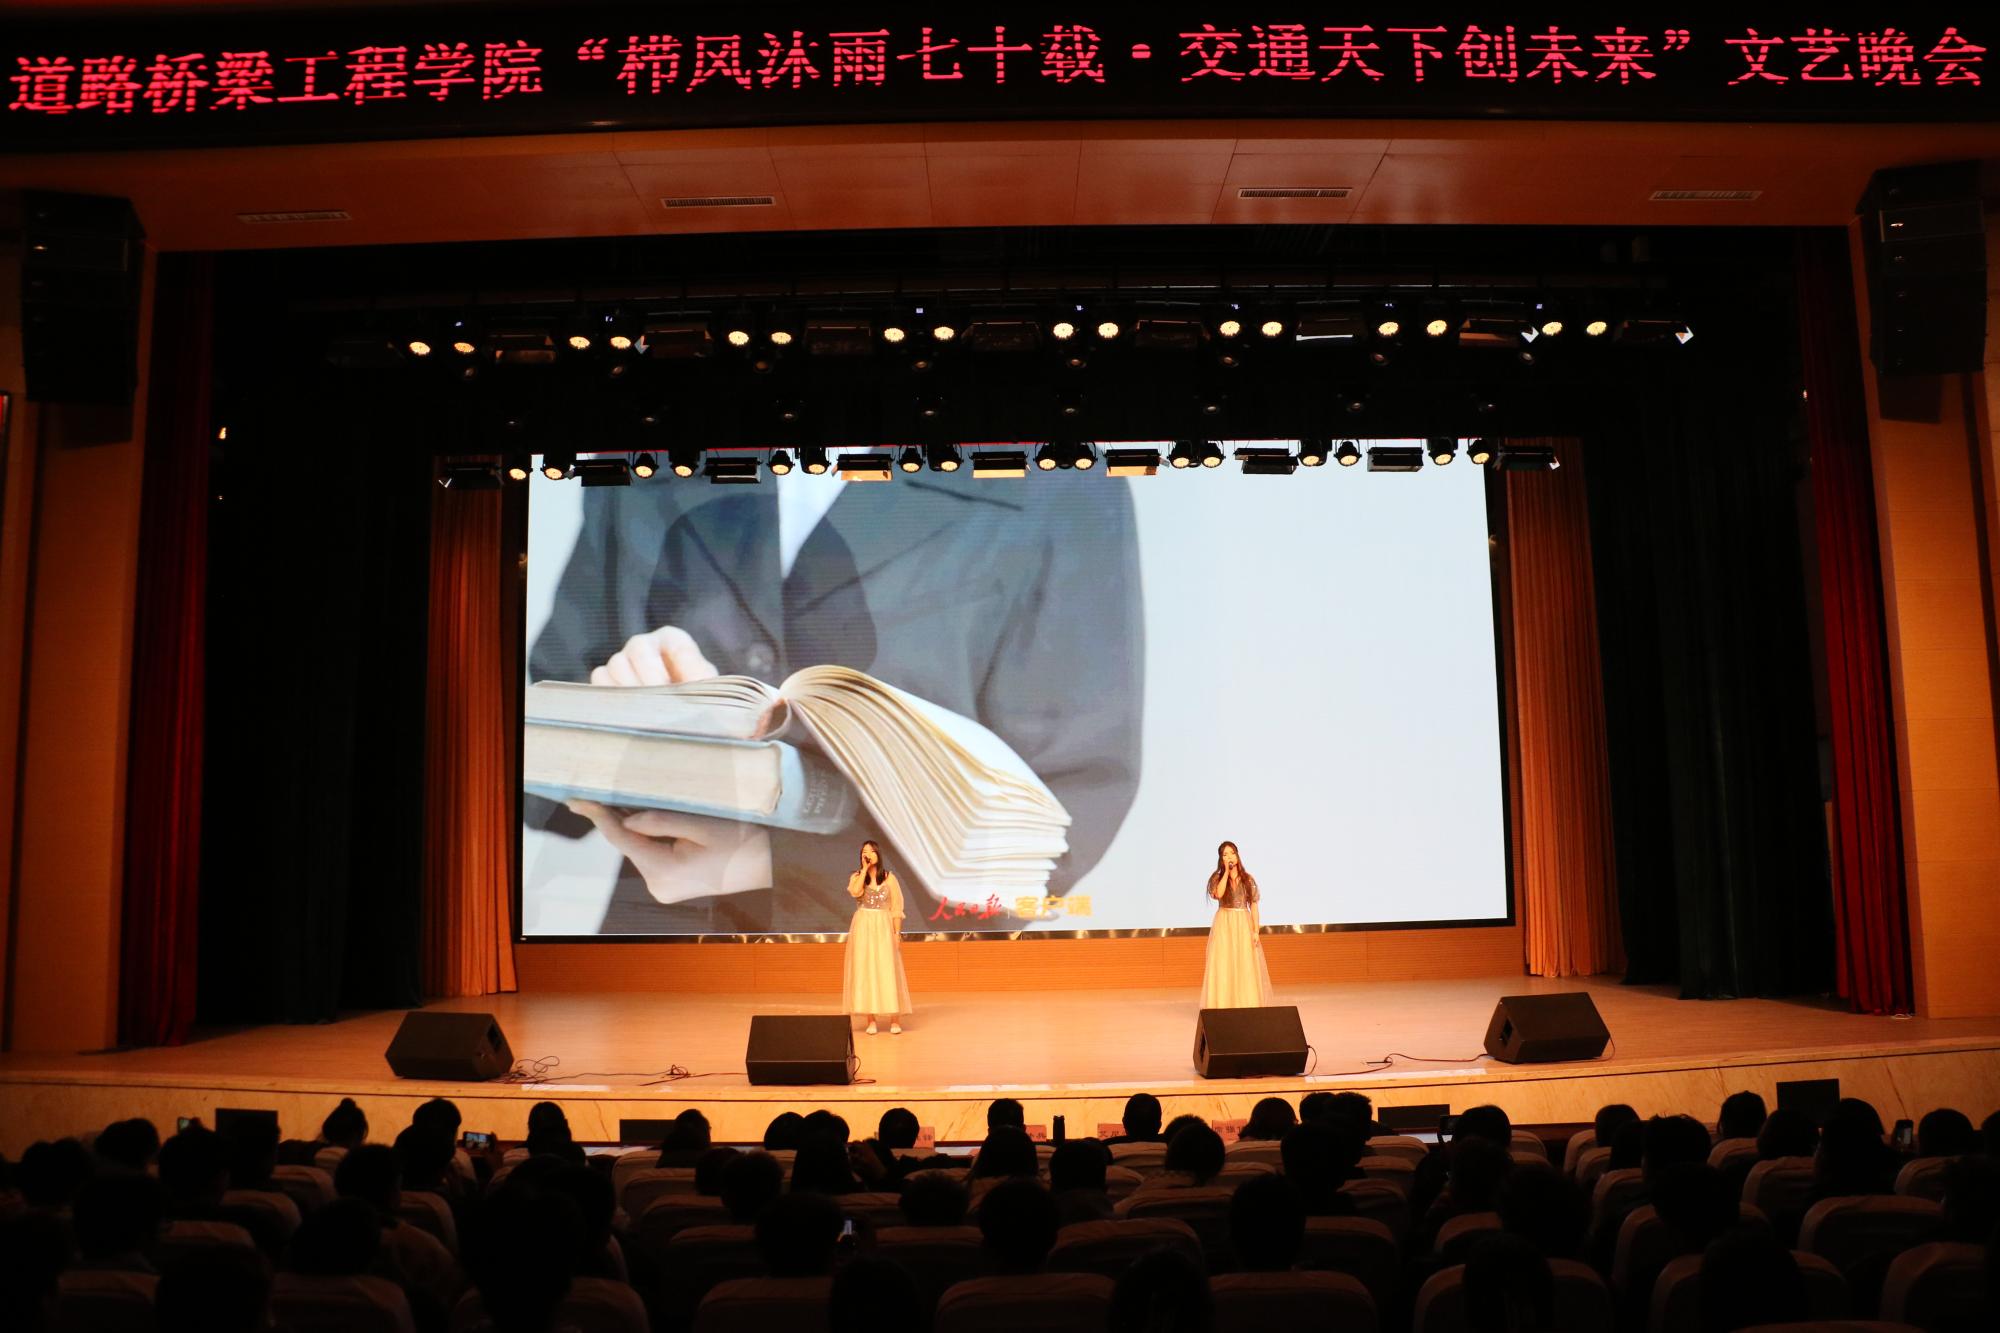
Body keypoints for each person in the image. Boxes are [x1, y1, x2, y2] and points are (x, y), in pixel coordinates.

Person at [527, 460, 1144, 934]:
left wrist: (780, 861)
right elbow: (532, 755)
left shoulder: (1054, 475)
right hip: (658, 948)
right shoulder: (656, 446)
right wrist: (619, 708)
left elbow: (1064, 813)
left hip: (895, 952)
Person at [843, 840, 911, 1035]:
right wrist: (864, 870)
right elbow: (855, 892)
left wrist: (896, 933)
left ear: (878, 854)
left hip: (883, 925)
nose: (868, 854)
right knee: (866, 970)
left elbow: (896, 908)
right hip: (863, 926)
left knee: (887, 968)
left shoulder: (890, 878)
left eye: (871, 851)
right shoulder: (857, 877)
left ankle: (894, 1019)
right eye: (864, 852)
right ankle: (870, 1019)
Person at [1200, 840, 1272, 1008]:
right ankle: (1223, 1003)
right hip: (1224, 923)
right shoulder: (1217, 878)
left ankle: (1246, 1003)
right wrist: (1225, 872)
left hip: (1243, 923)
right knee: (1224, 961)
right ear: (1221, 859)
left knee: (1244, 962)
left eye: (1232, 853)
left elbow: (1254, 906)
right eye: (1225, 855)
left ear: (1238, 855)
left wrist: (1256, 930)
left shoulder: (1248, 879)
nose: (1229, 857)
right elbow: (1218, 894)